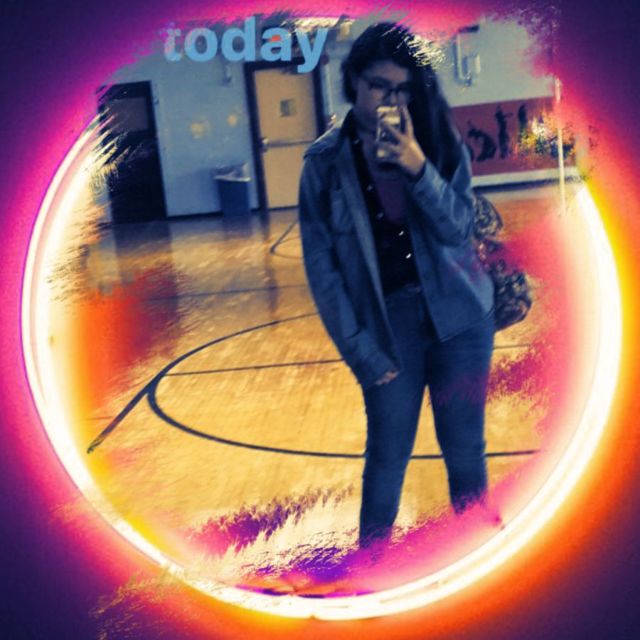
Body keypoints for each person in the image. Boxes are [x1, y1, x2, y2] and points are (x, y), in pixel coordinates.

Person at [298, 22, 495, 547]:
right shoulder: (323, 164)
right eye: (379, 86)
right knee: (387, 457)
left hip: (461, 316)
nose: (391, 100)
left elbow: (458, 228)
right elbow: (322, 271)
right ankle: (373, 570)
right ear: (353, 83)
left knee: (465, 451)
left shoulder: (437, 138)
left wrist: (417, 166)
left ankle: (478, 560)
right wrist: (361, 352)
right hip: (388, 329)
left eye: (403, 89)